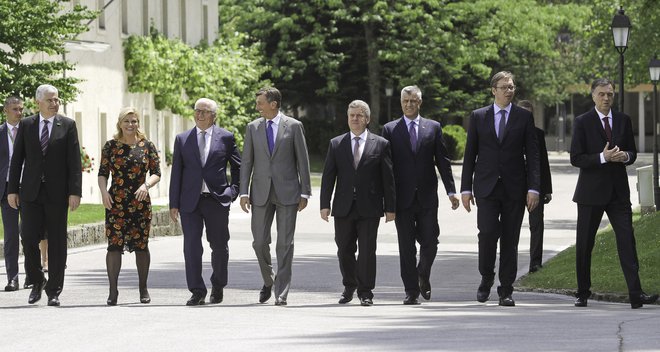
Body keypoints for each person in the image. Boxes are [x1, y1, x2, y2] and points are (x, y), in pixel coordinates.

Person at [570, 78, 659, 309]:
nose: (606, 98)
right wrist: (603, 157)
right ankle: (582, 292)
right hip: (590, 194)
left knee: (627, 242)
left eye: (610, 94)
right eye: (602, 94)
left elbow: (632, 151)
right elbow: (576, 158)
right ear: (593, 96)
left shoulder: (623, 120)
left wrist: (625, 157)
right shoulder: (582, 122)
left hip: (618, 193)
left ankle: (636, 294)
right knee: (584, 244)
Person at [460, 71, 540, 307]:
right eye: (504, 87)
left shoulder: (523, 117)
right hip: (486, 187)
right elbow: (470, 155)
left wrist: (534, 187)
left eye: (512, 87)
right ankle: (486, 277)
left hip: (515, 188)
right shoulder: (478, 116)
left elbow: (532, 155)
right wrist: (465, 189)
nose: (509, 91)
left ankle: (506, 289)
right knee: (486, 235)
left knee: (510, 240)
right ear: (493, 90)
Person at [382, 86, 459, 305]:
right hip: (402, 198)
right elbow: (385, 168)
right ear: (400, 102)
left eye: (413, 101)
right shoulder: (389, 129)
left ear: (420, 103)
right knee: (406, 247)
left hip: (426, 197)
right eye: (405, 101)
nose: (409, 104)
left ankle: (422, 273)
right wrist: (387, 200)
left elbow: (442, 161)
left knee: (430, 242)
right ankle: (411, 291)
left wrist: (451, 191)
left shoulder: (433, 128)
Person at [7, 84, 82, 307]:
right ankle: (37, 280)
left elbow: (74, 162)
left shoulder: (67, 125)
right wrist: (12, 189)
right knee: (28, 237)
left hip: (57, 194)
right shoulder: (27, 124)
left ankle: (54, 290)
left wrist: (74, 192)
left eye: (56, 99)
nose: (54, 103)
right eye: (50, 100)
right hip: (30, 192)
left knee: (57, 242)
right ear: (38, 101)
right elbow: (17, 159)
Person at [239, 87, 312, 306]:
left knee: (285, 244)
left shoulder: (294, 126)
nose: (257, 107)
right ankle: (269, 280)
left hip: (288, 192)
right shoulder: (253, 128)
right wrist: (244, 191)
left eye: (260, 102)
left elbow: (303, 160)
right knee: (259, 242)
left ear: (273, 104)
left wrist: (305, 191)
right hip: (260, 192)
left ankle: (282, 292)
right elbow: (247, 161)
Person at [320, 100, 396, 306]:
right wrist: (324, 204)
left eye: (359, 115)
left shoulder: (380, 144)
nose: (355, 119)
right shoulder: (336, 144)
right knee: (344, 248)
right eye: (351, 115)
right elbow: (328, 177)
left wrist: (390, 207)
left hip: (370, 206)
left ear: (367, 119)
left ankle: (366, 292)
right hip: (343, 206)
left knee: (367, 250)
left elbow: (387, 179)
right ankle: (349, 285)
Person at [169, 98, 241, 306]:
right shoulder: (182, 139)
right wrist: (174, 203)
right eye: (197, 111)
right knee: (191, 246)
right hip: (190, 202)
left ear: (214, 116)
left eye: (205, 111)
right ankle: (197, 290)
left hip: (217, 199)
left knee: (219, 245)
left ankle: (218, 285)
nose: (200, 114)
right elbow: (177, 173)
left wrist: (233, 190)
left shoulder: (226, 137)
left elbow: (238, 166)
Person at [98, 107, 161, 306]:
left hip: (140, 202)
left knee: (141, 246)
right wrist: (103, 192)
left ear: (138, 123)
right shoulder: (111, 146)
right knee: (114, 246)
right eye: (127, 121)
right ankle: (112, 290)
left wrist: (146, 185)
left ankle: (143, 287)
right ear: (120, 123)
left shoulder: (146, 145)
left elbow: (156, 172)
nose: (130, 125)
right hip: (115, 202)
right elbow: (102, 173)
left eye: (133, 121)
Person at [517, 100, 553, 273]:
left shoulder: (538, 134)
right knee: (511, 226)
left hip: (535, 187)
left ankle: (535, 262)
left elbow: (543, 162)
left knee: (537, 225)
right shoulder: (510, 132)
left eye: (528, 114)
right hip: (515, 186)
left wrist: (546, 189)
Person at [1, 96, 25, 291]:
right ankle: (13, 278)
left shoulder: (29, 130)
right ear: (5, 111)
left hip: (29, 187)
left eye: (21, 109)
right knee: (11, 235)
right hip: (6, 189)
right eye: (15, 109)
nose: (20, 112)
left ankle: (32, 276)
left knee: (30, 233)